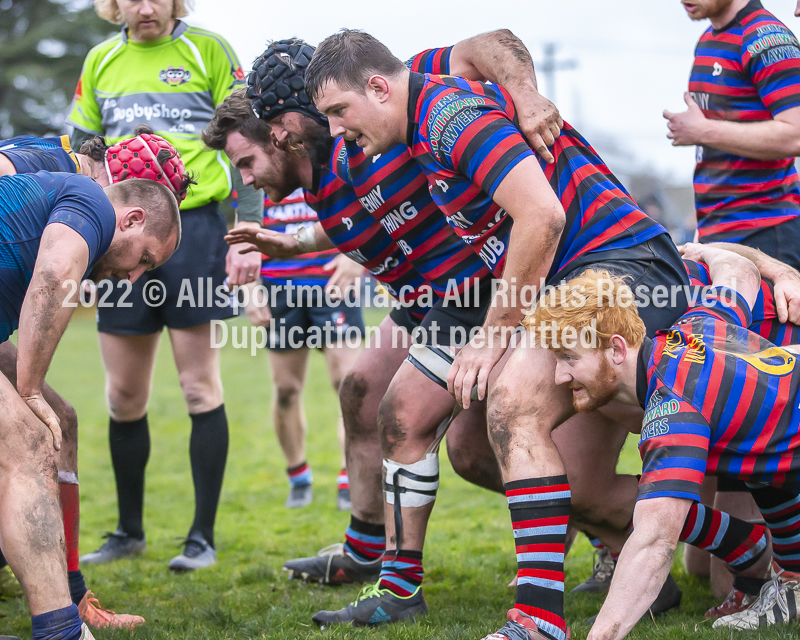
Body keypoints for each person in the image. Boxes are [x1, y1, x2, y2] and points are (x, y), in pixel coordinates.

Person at [303, 30, 691, 638]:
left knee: (512, 400)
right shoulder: (417, 126)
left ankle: (538, 621)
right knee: (472, 439)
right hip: (566, 282)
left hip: (626, 265)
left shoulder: (449, 115)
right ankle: (625, 567)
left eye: (337, 112)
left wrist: (492, 336)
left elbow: (544, 214)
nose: (334, 130)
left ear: (378, 87)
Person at [68, 0, 264, 571]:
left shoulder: (209, 49)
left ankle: (200, 538)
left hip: (196, 229)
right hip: (118, 233)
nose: (145, 7)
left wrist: (245, 231)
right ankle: (129, 531)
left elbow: (245, 139)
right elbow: (85, 150)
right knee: (123, 395)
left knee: (199, 386)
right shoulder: (101, 59)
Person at [525, 244, 800, 637]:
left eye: (569, 357)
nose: (559, 377)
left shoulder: (672, 408)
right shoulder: (695, 325)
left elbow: (653, 545)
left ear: (617, 348)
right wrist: (705, 250)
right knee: (759, 462)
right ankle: (790, 579)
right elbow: (739, 272)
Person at [0, 127, 189, 626]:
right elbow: (54, 274)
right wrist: (29, 388)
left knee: (57, 422)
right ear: (130, 213)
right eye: (144, 259)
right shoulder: (86, 197)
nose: (133, 279)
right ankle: (61, 626)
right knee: (26, 439)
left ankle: (70, 595)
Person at [664, 0, 800, 606]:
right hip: (723, 241)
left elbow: (795, 129)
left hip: (768, 243)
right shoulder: (710, 39)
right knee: (698, 572)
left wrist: (705, 131)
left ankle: (769, 583)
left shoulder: (766, 36)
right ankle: (753, 569)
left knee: (747, 406)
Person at [245, 187, 365, 509]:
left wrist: (357, 257)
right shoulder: (254, 158)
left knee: (348, 386)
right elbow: (244, 227)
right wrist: (249, 286)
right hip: (279, 287)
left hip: (333, 283)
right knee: (286, 389)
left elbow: (364, 202)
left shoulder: (332, 144)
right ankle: (298, 475)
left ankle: (350, 476)